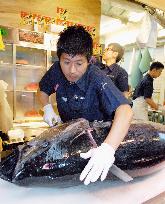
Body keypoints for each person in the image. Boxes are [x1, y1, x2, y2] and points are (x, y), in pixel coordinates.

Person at [37, 26, 133, 185]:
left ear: (89, 61)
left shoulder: (96, 76)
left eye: (79, 63)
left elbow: (125, 111)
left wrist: (108, 149)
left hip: (96, 146)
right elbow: (42, 90)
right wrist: (47, 108)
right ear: (59, 58)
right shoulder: (56, 70)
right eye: (66, 62)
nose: (72, 70)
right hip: (69, 136)